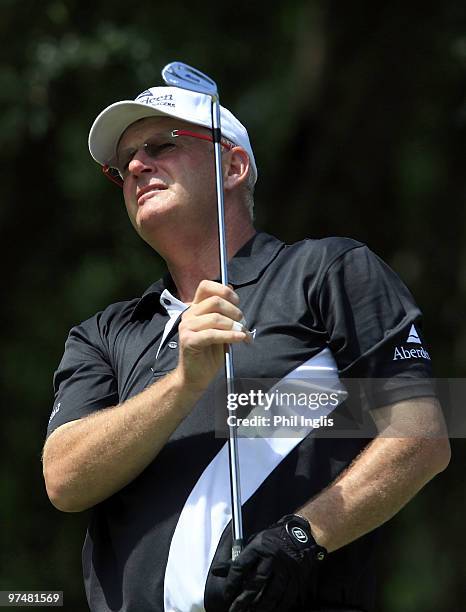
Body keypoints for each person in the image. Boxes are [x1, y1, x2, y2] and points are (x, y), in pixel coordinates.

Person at [42, 80, 450, 612]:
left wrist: (302, 538)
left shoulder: (327, 271)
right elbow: (64, 480)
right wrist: (185, 384)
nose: (137, 167)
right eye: (124, 163)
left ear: (233, 168)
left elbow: (422, 437)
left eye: (162, 144)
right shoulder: (103, 332)